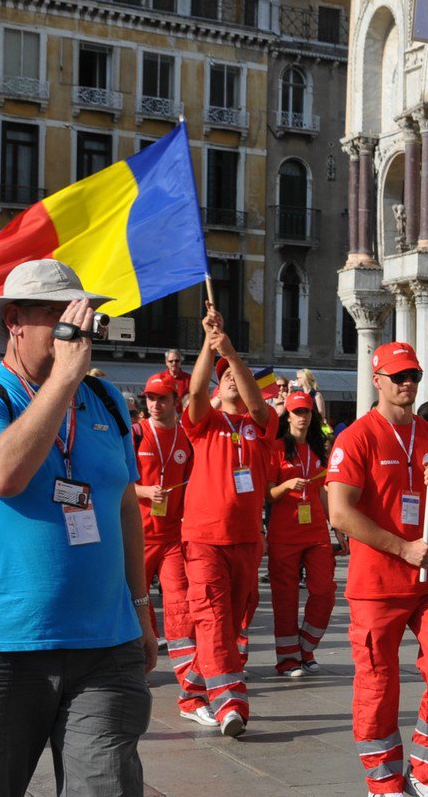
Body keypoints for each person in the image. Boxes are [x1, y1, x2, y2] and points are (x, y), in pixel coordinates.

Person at [0, 259, 153, 797]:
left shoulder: (107, 398)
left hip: (103, 645)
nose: (74, 331)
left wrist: (142, 609)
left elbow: (124, 505)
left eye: (80, 318)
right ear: (15, 325)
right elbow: (3, 473)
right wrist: (62, 381)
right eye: (57, 318)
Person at [326, 342, 428, 797]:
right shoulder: (356, 437)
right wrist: (403, 547)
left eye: (413, 375)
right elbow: (340, 513)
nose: (407, 383)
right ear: (378, 380)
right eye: (397, 376)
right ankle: (382, 782)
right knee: (377, 683)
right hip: (377, 584)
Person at [177, 304, 278, 736]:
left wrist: (233, 354)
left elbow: (258, 404)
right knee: (215, 618)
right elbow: (196, 394)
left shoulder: (261, 425)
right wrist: (208, 344)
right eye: (225, 376)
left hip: (245, 540)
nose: (231, 378)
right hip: (203, 538)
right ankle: (230, 702)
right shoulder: (205, 422)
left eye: (236, 374)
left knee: (230, 621)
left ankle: (191, 692)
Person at [266, 390, 334, 676]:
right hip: (284, 532)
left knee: (325, 591)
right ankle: (288, 659)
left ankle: (306, 647)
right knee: (285, 598)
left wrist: (336, 525)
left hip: (317, 531)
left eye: (306, 412)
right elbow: (267, 493)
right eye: (296, 412)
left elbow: (323, 492)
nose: (302, 417)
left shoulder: (319, 448)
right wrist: (286, 486)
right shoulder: (277, 448)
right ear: (288, 416)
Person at [134, 374, 193, 700]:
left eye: (162, 399)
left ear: (175, 401)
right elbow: (115, 480)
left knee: (179, 603)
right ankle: (142, 668)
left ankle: (190, 684)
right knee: (137, 605)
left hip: (172, 537)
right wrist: (143, 490)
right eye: (150, 398)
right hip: (137, 537)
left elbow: (193, 483)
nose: (155, 405)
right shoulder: (136, 433)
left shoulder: (185, 438)